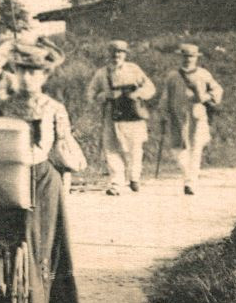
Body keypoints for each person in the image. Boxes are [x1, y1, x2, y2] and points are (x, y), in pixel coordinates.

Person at [0, 40, 82, 303]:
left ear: (45, 76)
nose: (27, 78)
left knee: (36, 238)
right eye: (22, 71)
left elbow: (49, 147)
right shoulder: (3, 105)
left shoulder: (52, 107)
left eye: (34, 72)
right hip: (6, 178)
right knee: (4, 236)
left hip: (40, 178)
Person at [86, 40, 157, 196]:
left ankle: (134, 177)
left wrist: (136, 94)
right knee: (111, 148)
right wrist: (104, 96)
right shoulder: (102, 73)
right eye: (113, 52)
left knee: (135, 147)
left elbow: (150, 88)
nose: (116, 55)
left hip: (133, 114)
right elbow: (91, 94)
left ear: (125, 54)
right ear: (108, 54)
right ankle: (116, 182)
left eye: (120, 52)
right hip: (112, 114)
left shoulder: (134, 69)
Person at [158, 42, 224, 195]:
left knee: (195, 149)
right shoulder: (173, 76)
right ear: (180, 57)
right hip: (177, 117)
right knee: (177, 150)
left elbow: (217, 90)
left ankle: (190, 182)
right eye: (185, 56)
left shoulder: (203, 74)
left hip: (197, 116)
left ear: (196, 58)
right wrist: (163, 113)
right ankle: (188, 175)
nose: (188, 59)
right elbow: (165, 97)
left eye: (191, 56)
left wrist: (205, 97)